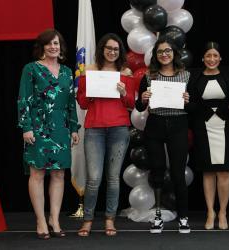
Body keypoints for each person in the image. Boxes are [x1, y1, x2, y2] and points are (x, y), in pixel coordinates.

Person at [17, 29, 80, 239]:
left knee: (59, 174)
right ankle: (41, 220)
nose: (54, 47)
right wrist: (26, 127)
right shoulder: (31, 69)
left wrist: (73, 128)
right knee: (37, 173)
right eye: (50, 43)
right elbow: (23, 99)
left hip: (61, 128)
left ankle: (54, 219)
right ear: (42, 47)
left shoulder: (67, 72)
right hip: (37, 127)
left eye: (57, 44)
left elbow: (71, 102)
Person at [76, 33, 135, 237]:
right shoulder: (89, 71)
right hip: (94, 128)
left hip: (119, 128)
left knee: (113, 178)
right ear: (102, 49)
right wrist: (89, 94)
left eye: (116, 49)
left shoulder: (126, 72)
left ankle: (110, 220)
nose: (112, 52)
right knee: (93, 178)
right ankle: (88, 220)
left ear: (120, 52)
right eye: (108, 48)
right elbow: (82, 102)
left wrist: (123, 92)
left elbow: (131, 104)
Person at [135, 37, 191, 234]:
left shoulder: (186, 76)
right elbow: (139, 106)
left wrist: (188, 100)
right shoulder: (149, 77)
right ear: (155, 56)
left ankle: (183, 217)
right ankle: (157, 216)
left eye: (168, 51)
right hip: (155, 124)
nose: (164, 54)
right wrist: (142, 99)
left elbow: (193, 107)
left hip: (178, 125)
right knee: (157, 170)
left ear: (174, 53)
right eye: (160, 52)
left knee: (177, 172)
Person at [187, 42, 229, 230]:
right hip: (203, 128)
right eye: (208, 55)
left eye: (215, 55)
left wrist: (223, 112)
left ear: (221, 58)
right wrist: (189, 104)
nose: (212, 59)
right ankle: (210, 211)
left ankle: (222, 212)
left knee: (224, 171)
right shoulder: (194, 77)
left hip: (226, 127)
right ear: (203, 58)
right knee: (207, 171)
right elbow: (190, 105)